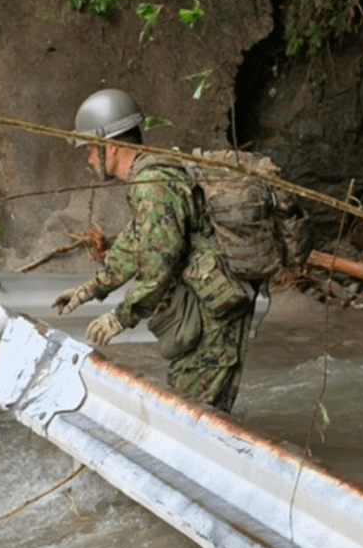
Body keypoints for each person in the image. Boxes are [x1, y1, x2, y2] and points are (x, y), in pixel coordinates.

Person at [51, 88, 255, 413]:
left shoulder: (153, 186)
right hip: (203, 307)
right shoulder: (150, 177)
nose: (89, 159)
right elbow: (135, 244)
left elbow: (159, 265)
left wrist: (122, 317)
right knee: (192, 406)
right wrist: (90, 289)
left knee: (196, 414)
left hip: (214, 314)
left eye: (91, 149)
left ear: (112, 146)